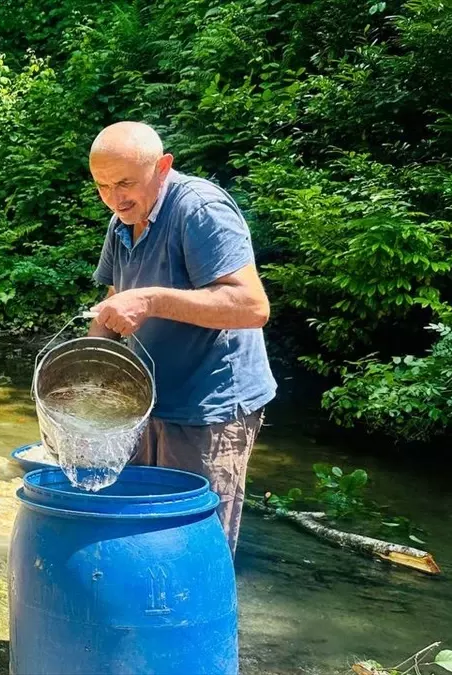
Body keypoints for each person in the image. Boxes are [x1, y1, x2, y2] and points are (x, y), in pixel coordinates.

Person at [86, 121, 276, 553]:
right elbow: (114, 298)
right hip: (145, 402)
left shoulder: (200, 209)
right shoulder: (123, 220)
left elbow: (252, 307)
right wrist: (88, 371)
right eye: (102, 186)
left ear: (163, 166)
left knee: (193, 544)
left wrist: (151, 301)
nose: (115, 198)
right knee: (140, 537)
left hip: (209, 408)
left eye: (125, 183)